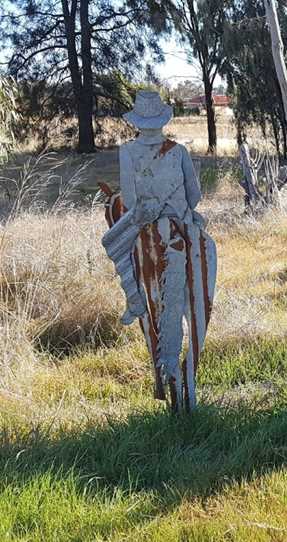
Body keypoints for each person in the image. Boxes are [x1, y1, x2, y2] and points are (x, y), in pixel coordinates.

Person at [101, 90, 215, 412]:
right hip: (182, 225)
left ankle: (134, 299)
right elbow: (195, 196)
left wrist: (150, 207)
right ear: (162, 121)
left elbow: (132, 202)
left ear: (138, 122)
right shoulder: (178, 151)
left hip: (146, 223)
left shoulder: (127, 152)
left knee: (111, 243)